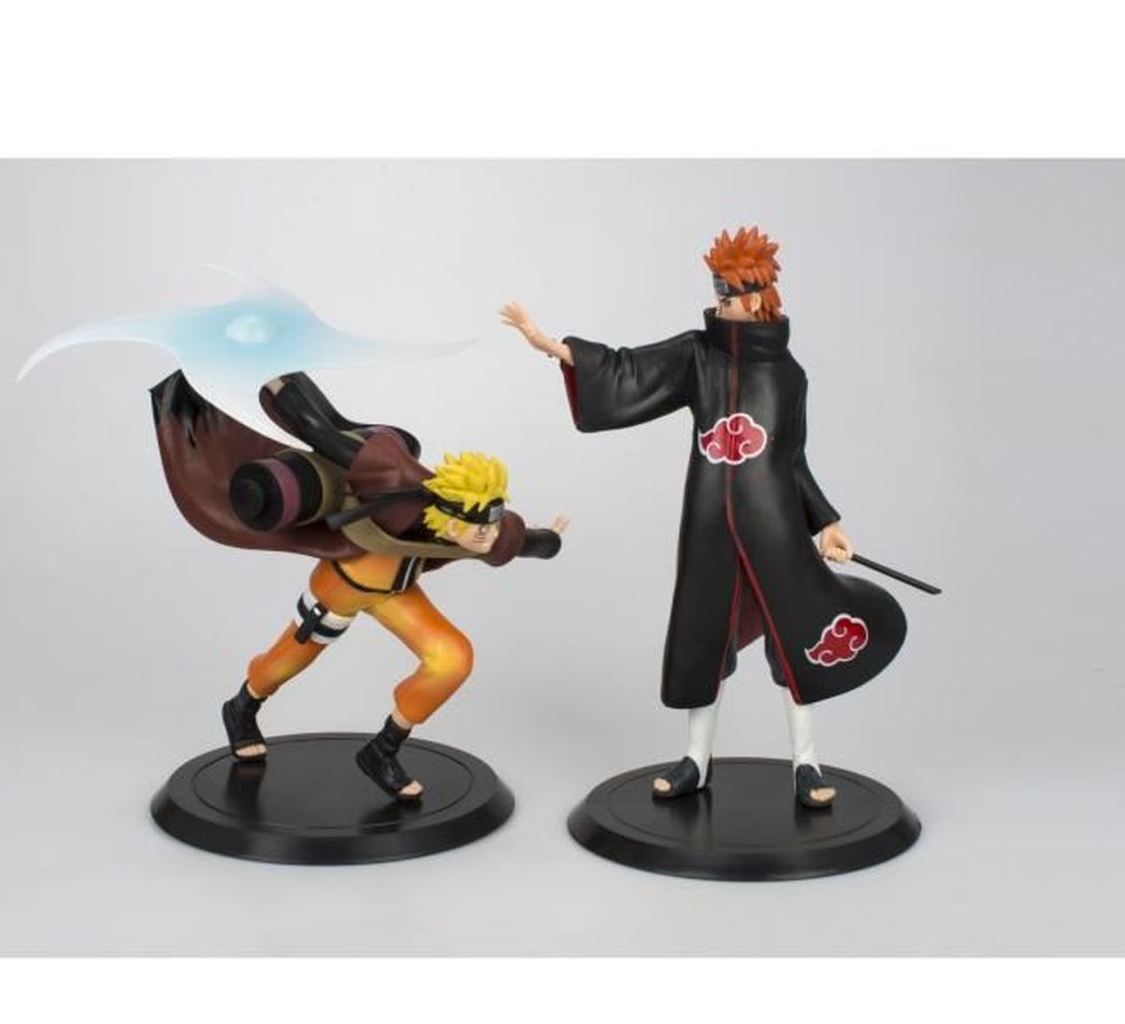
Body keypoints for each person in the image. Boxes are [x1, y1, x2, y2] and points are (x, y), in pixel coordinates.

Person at [501, 226, 905, 807]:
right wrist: (554, 347)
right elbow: (629, 370)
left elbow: (792, 458)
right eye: (717, 292)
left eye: (730, 293)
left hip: (777, 531)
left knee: (795, 640)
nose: (721, 303)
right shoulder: (698, 355)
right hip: (710, 527)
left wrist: (827, 522)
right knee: (701, 638)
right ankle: (695, 759)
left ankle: (807, 764)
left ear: (759, 295)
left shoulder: (789, 376)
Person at [151, 368, 567, 800]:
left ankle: (382, 750)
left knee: (452, 658)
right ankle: (242, 706)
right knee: (283, 663)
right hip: (341, 589)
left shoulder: (468, 530)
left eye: (491, 524)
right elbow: (321, 430)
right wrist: (273, 378)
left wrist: (548, 541)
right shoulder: (396, 489)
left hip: (397, 594)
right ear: (449, 516)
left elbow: (512, 542)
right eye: (479, 526)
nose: (486, 535)